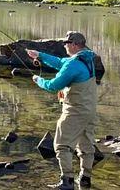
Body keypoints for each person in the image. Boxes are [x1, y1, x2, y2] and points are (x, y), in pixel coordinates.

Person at [27, 31, 98, 190]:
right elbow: (61, 62)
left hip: (75, 111)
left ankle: (67, 182)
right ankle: (85, 179)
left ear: (74, 44)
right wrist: (40, 55)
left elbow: (53, 86)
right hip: (89, 110)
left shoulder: (73, 64)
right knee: (86, 146)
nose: (64, 46)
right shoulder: (86, 59)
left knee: (61, 145)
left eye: (66, 43)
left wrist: (38, 80)